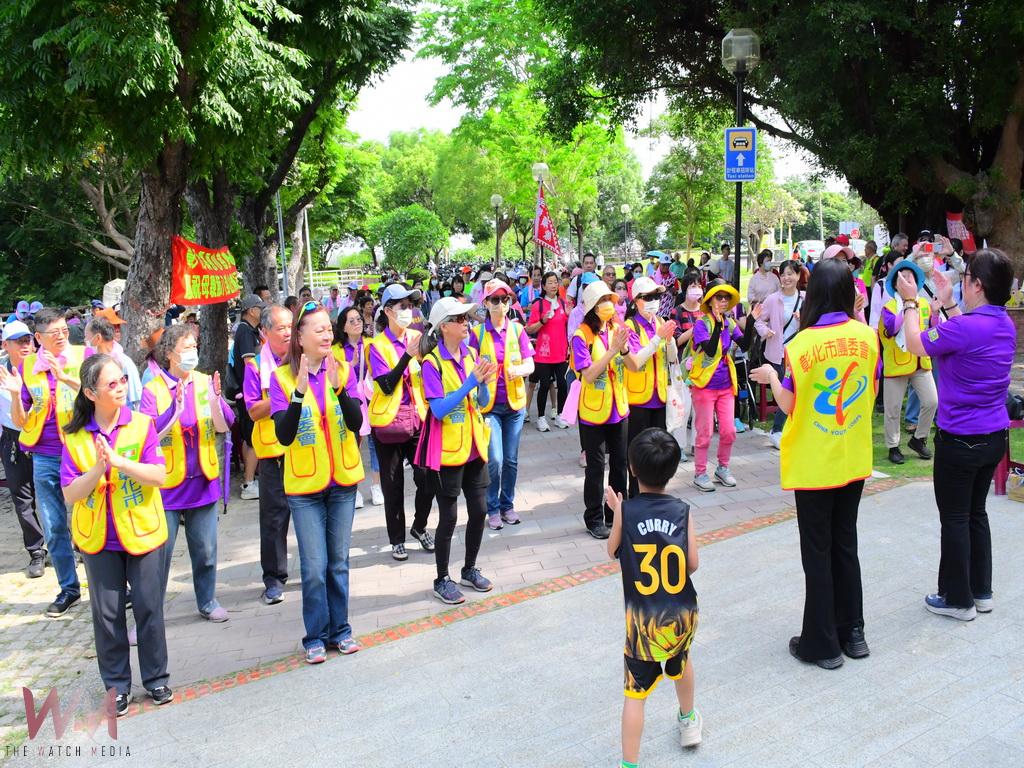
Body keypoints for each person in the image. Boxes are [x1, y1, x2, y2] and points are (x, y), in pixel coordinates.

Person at [751, 258, 878, 670]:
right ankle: (853, 632)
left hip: (814, 461)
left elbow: (790, 405)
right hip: (853, 455)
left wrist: (771, 379)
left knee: (817, 551)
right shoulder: (867, 336)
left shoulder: (801, 345)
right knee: (846, 544)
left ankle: (822, 643)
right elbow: (870, 391)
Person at [896, 246, 1015, 621]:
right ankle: (981, 592)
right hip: (993, 436)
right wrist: (947, 304)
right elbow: (967, 332)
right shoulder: (1003, 323)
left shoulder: (964, 328)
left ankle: (957, 599)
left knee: (955, 518)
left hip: (960, 439)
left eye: (965, 279)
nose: (961, 284)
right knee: (976, 513)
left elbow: (916, 344)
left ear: (976, 284)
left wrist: (912, 303)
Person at [61, 354, 172, 715]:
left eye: (122, 380)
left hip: (142, 531)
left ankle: (156, 678)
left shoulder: (141, 425)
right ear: (91, 393)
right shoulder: (76, 436)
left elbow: (159, 476)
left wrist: (122, 463)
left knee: (148, 607)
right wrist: (98, 467)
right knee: (107, 616)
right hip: (98, 537)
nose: (121, 387)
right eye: (111, 383)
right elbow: (70, 493)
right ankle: (116, 687)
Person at [269, 301, 365, 663]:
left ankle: (341, 631)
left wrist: (341, 391)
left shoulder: (341, 369)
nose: (327, 334)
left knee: (338, 562)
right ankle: (315, 636)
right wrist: (297, 393)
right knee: (313, 567)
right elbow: (284, 435)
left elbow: (356, 424)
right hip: (305, 488)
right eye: (319, 329)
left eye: (329, 328)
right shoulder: (280, 378)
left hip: (342, 481)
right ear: (300, 337)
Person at [606, 428, 701, 764]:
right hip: (681, 614)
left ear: (632, 469)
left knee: (635, 695)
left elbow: (612, 549)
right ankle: (689, 721)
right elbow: (692, 564)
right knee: (682, 662)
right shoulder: (682, 511)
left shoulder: (627, 512)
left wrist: (618, 511)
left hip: (642, 625)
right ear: (673, 470)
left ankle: (629, 763)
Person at [140, 324, 232, 623]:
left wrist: (218, 399)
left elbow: (224, 426)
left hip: (203, 480)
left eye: (195, 347)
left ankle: (207, 600)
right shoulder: (153, 390)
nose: (192, 353)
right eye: (186, 348)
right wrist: (175, 408)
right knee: (159, 557)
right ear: (169, 354)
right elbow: (148, 434)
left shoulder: (205, 382)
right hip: (167, 486)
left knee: (205, 550)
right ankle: (150, 616)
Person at [416, 297, 497, 605]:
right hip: (448, 451)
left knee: (480, 511)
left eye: (466, 318)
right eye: (460, 319)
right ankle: (442, 578)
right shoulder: (431, 363)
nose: (466, 323)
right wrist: (470, 383)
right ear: (444, 327)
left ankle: (469, 569)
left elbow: (480, 400)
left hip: (475, 446)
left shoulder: (472, 354)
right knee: (448, 518)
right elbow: (437, 410)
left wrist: (485, 385)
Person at [5, 307, 84, 616]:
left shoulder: (82, 357)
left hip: (80, 450)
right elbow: (22, 420)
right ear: (39, 338)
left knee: (91, 519)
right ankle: (69, 588)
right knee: (53, 525)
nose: (62, 337)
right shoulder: (26, 369)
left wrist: (66, 378)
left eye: (64, 331)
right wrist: (14, 396)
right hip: (44, 455)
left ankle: (114, 585)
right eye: (55, 333)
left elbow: (97, 395)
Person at [367, 284, 435, 561]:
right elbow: (384, 385)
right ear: (388, 311)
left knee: (429, 477)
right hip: (388, 423)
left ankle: (419, 527)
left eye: (410, 305)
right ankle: (397, 539)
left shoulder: (419, 337)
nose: (408, 311)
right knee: (392, 485)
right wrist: (407, 355)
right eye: (402, 306)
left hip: (418, 418)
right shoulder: (377, 346)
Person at [570, 280, 642, 539]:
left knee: (621, 464)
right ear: (591, 307)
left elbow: (634, 366)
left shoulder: (619, 329)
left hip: (619, 408)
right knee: (596, 466)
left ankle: (615, 513)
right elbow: (587, 374)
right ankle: (594, 517)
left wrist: (622, 349)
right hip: (593, 412)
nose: (609, 305)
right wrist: (612, 351)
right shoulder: (581, 336)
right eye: (603, 301)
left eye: (610, 300)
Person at [471, 279, 535, 530]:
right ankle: (493, 508)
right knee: (494, 460)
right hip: (489, 407)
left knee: (510, 459)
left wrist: (517, 370)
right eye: (495, 300)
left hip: (515, 405)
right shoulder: (476, 334)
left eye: (505, 299)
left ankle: (507, 505)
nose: (500, 304)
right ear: (485, 303)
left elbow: (531, 364)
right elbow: (466, 367)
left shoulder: (517, 331)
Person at [688, 282, 760, 492]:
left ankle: (722, 468)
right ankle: (700, 473)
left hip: (726, 386)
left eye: (726, 298)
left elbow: (745, 345)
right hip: (704, 386)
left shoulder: (729, 323)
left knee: (729, 431)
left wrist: (752, 322)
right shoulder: (702, 324)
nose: (723, 301)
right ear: (709, 301)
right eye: (718, 297)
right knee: (705, 432)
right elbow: (710, 351)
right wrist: (718, 327)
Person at [243, 304, 293, 605]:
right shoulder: (255, 367)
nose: (287, 332)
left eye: (290, 326)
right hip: (273, 453)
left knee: (312, 513)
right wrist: (283, 395)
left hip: (305, 448)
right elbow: (252, 409)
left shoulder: (301, 360)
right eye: (280, 328)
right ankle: (274, 579)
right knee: (274, 519)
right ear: (264, 332)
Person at [878, 258, 937, 464]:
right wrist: (906, 305)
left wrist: (936, 312)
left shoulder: (925, 305)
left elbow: (932, 329)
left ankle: (919, 439)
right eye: (901, 277)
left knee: (932, 401)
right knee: (893, 408)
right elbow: (891, 329)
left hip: (921, 361)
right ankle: (893, 446)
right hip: (897, 363)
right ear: (895, 284)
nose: (906, 279)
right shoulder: (890, 306)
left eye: (909, 276)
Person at [623, 277, 677, 497]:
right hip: (638, 400)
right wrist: (658, 338)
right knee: (638, 452)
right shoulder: (630, 326)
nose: (654, 301)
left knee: (659, 452)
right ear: (636, 300)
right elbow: (636, 361)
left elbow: (672, 357)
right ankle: (636, 497)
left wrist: (670, 339)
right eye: (648, 297)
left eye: (657, 296)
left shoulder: (660, 322)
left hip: (660, 397)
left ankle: (656, 495)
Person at [0, 321, 45, 578]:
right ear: (6, 346)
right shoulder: (1, 372)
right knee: (22, 498)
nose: (26, 346)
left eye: (28, 340)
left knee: (55, 494)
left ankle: (72, 544)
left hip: (44, 438)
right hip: (13, 439)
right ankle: (37, 550)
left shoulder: (43, 367)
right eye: (19, 342)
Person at [754, 260, 805, 449]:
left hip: (801, 354)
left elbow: (814, 324)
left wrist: (804, 319)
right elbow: (758, 320)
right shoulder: (773, 299)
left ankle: (794, 430)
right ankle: (776, 431)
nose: (786, 278)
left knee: (800, 393)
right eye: (783, 274)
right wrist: (765, 331)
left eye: (791, 274)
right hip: (779, 355)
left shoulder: (805, 299)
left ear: (798, 276)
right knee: (788, 392)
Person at [526, 271, 570, 433]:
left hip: (560, 352)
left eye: (555, 282)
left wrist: (569, 314)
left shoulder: (563, 303)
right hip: (543, 354)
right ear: (544, 286)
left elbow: (567, 325)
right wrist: (543, 321)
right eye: (550, 282)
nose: (553, 285)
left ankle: (560, 414)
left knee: (563, 385)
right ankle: (541, 418)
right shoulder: (539, 305)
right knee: (544, 385)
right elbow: (529, 328)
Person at [232, 294, 265, 500]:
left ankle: (250, 478)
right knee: (253, 439)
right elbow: (249, 362)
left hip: (246, 392)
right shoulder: (245, 331)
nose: (263, 311)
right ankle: (248, 482)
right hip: (248, 392)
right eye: (260, 308)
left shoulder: (248, 330)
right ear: (252, 310)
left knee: (248, 437)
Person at [85, 316, 143, 410]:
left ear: (98, 338)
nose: (86, 341)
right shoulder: (92, 364)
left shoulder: (124, 363)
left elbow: (137, 401)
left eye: (87, 337)